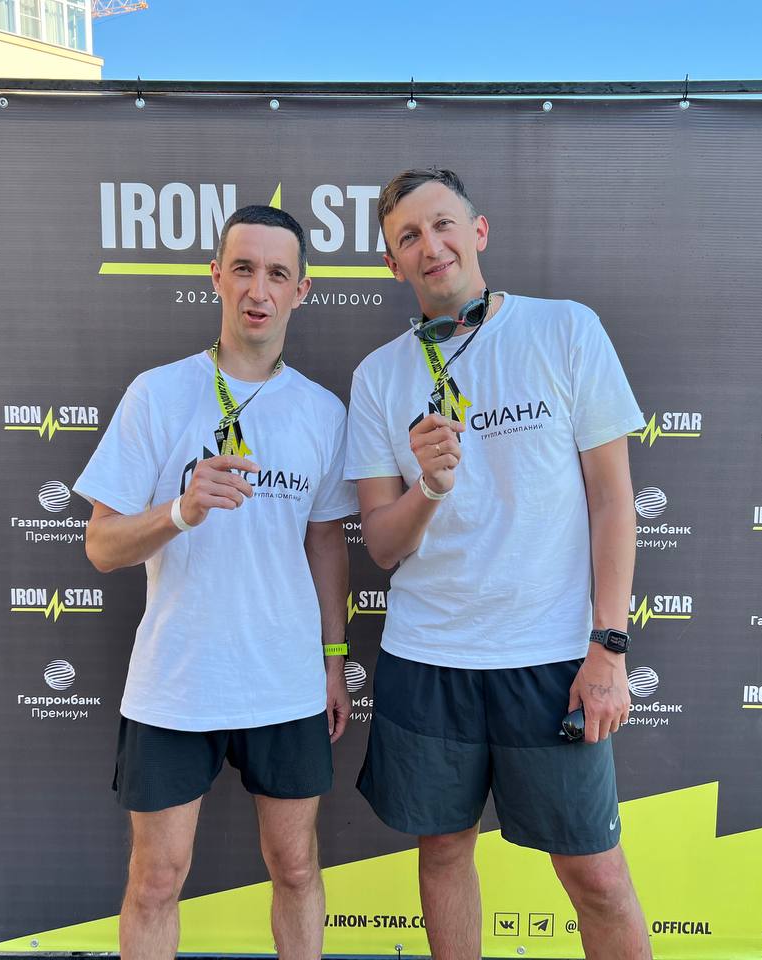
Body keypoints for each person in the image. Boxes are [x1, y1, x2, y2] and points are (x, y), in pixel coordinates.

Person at [344, 169, 652, 959]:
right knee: (444, 852)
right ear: (393, 264)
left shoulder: (565, 329)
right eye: (408, 237)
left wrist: (609, 647)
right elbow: (382, 545)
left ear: (478, 231)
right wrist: (429, 487)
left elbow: (614, 501)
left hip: (550, 660)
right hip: (428, 659)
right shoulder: (378, 376)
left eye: (442, 224)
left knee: (596, 876)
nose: (430, 245)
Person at [76, 205, 356, 960]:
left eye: (277, 273)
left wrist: (334, 661)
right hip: (177, 681)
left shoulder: (322, 412)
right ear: (216, 277)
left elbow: (326, 543)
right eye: (243, 268)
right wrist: (181, 509)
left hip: (285, 682)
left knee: (296, 868)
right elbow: (101, 546)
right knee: (155, 881)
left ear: (301, 290)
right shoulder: (157, 394)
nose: (258, 289)